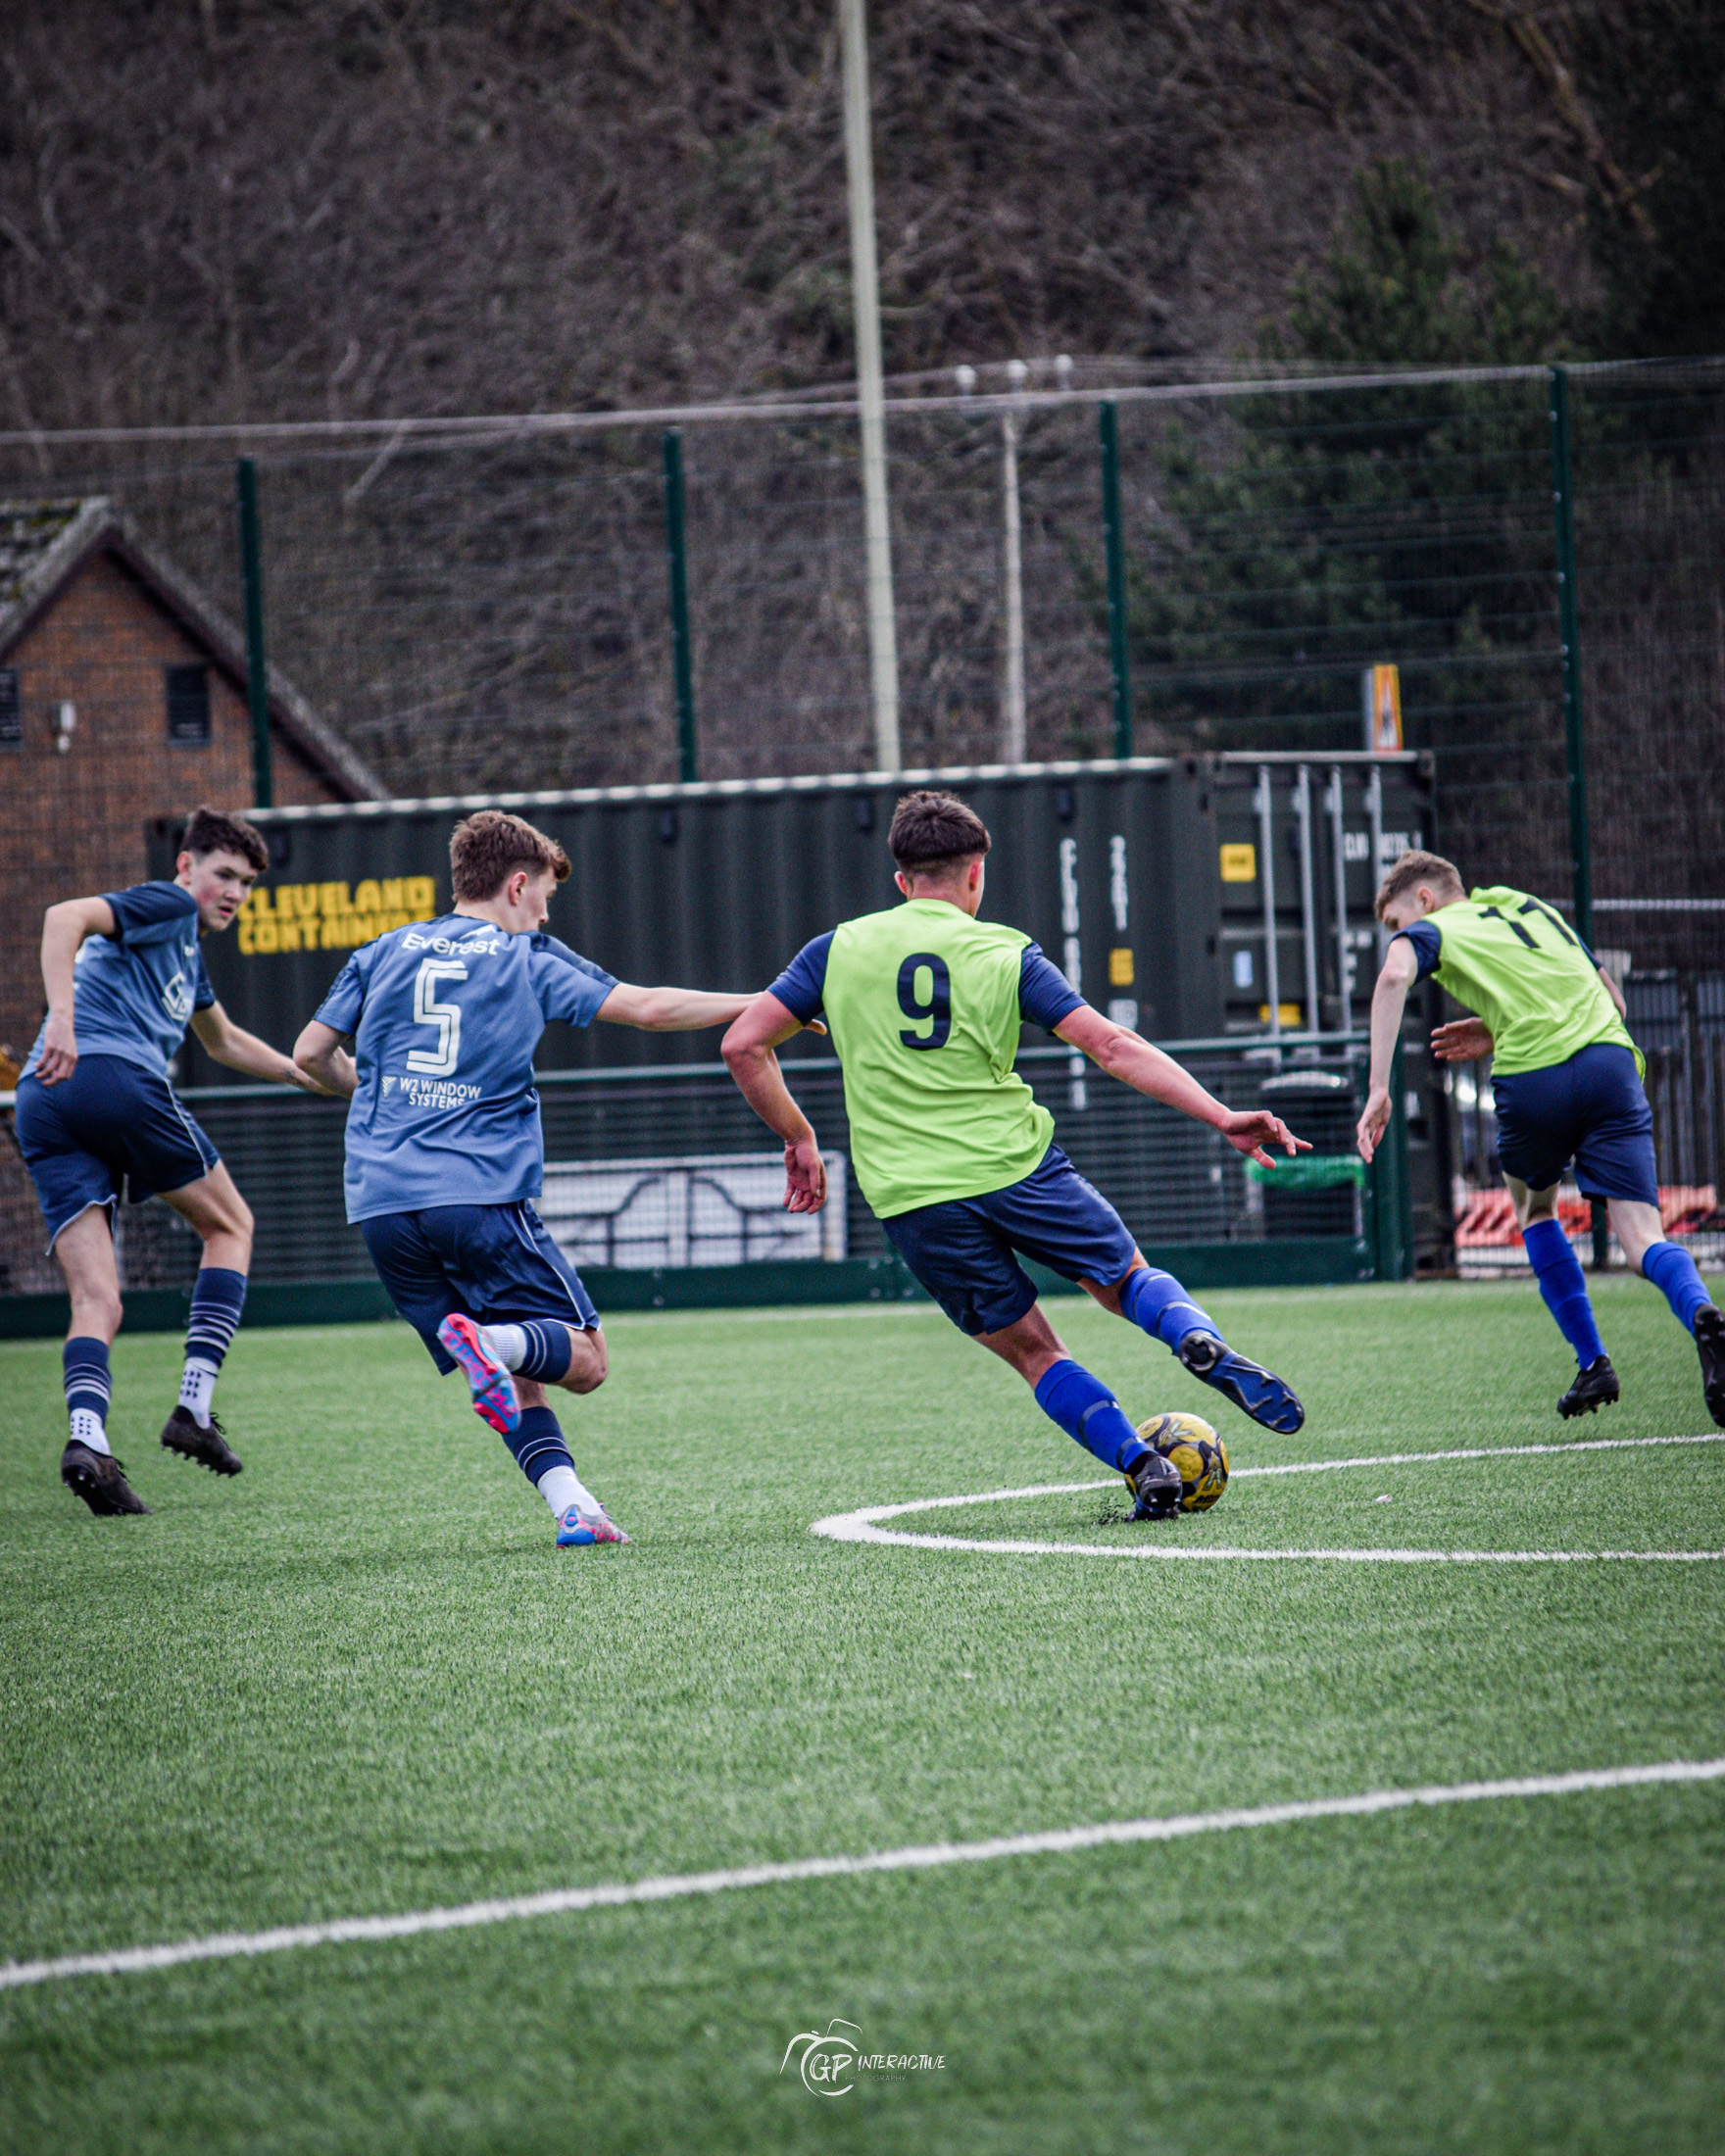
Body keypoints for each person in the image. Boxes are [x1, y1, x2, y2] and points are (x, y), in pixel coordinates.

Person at [719, 790, 1309, 1520]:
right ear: (976, 875)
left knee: (1036, 1352)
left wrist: (799, 1138)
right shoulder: (1004, 951)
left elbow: (742, 1044)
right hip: (1020, 1167)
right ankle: (1194, 1337)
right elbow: (1112, 1045)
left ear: (901, 879)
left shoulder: (836, 951)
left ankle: (1142, 1465)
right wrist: (1223, 1115)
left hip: (914, 1197)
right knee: (1124, 1280)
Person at [292, 808, 773, 1548]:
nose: (547, 910)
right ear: (517, 884)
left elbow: (309, 1054)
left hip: (381, 1206)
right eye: (545, 893)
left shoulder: (382, 950)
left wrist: (376, 1092)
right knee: (584, 1357)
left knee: (517, 1359)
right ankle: (491, 1346)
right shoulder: (525, 957)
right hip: (475, 1196)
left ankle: (574, 1507)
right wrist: (766, 1005)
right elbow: (647, 1009)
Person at [17, 806, 333, 1517]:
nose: (235, 893)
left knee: (100, 1299)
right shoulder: (168, 904)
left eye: (248, 883)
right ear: (186, 867)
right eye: (224, 875)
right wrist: (61, 1018)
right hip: (106, 1078)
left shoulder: (186, 953)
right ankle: (193, 1407)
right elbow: (64, 917)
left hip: (44, 1100)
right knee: (232, 1227)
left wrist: (305, 1073)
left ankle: (87, 1441)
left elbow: (221, 1041)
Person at [1356, 849, 1724, 1426]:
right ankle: (1701, 1309)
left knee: (1535, 1211)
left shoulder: (1435, 928)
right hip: (1611, 1065)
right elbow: (1614, 1000)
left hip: (1535, 1077)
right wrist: (1493, 1022)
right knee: (1642, 1240)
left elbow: (1394, 976)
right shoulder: (1531, 908)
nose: (1403, 933)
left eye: (1398, 922)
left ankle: (1593, 1360)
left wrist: (1379, 1086)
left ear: (1424, 899)